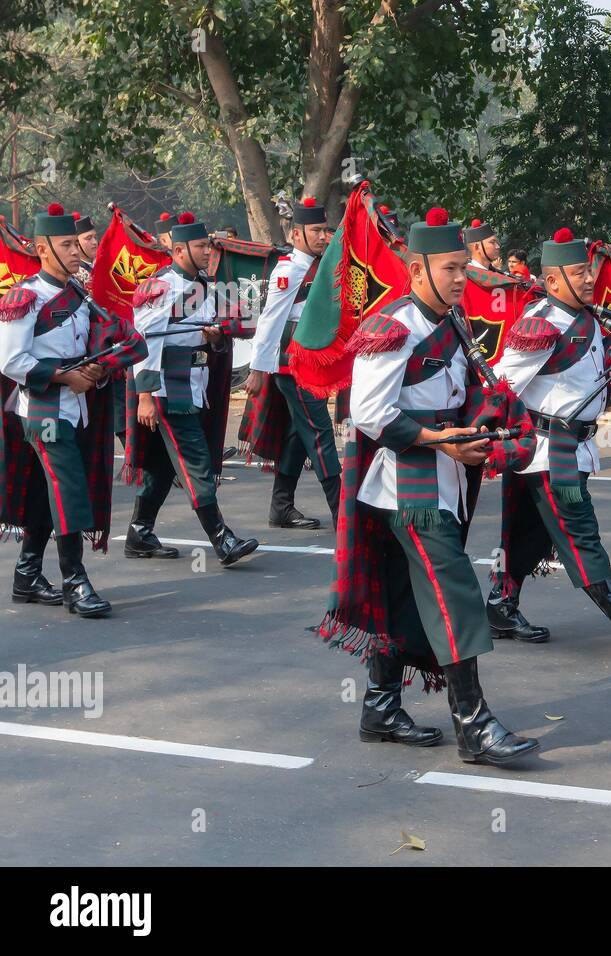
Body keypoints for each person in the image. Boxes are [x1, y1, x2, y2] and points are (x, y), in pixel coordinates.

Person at [319, 206, 539, 764]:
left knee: (399, 596)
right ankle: (474, 723)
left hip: (445, 471)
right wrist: (443, 441)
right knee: (455, 592)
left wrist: (487, 422)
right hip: (407, 483)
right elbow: (368, 413)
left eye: (465, 266)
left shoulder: (453, 322)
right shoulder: (391, 327)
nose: (462, 278)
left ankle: (380, 705)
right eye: (450, 269)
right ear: (417, 270)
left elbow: (461, 393)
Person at [487, 226, 611, 653]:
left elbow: (580, 380)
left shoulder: (588, 319)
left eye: (590, 271)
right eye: (579, 273)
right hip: (549, 451)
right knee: (581, 535)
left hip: (575, 446)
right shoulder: (540, 324)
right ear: (554, 280)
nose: (591, 279)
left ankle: (501, 603)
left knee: (530, 535)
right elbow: (503, 384)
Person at [0, 203, 145, 616]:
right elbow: (9, 361)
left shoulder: (79, 293)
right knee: (69, 489)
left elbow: (88, 347)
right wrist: (65, 376)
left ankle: (26, 574)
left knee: (50, 496)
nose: (76, 251)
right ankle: (74, 582)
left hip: (77, 408)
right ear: (43, 249)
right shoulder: (24, 297)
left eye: (75, 244)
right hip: (43, 411)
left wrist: (99, 367)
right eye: (66, 245)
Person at [122, 211, 259, 566]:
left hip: (193, 383)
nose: (207, 251)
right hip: (169, 387)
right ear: (179, 249)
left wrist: (213, 337)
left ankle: (139, 532)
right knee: (196, 461)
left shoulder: (203, 286)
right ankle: (221, 538)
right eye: (200, 246)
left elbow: (206, 334)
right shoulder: (161, 286)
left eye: (208, 245)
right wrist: (146, 395)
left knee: (162, 466)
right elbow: (145, 343)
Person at [242, 196, 342, 529]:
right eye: (315, 230)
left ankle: (281, 507)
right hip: (293, 367)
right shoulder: (289, 270)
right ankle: (343, 512)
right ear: (296, 234)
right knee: (320, 432)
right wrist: (258, 370)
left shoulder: (320, 266)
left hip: (312, 365)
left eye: (325, 230)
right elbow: (270, 320)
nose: (322, 236)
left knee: (299, 435)